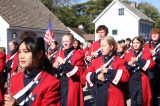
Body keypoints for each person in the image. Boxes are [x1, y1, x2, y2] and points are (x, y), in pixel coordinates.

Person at [4, 37, 60, 106]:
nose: (21, 56)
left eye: (26, 51)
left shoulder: (51, 83)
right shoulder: (14, 79)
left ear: (39, 54)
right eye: (19, 52)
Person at [83, 36, 129, 106]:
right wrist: (96, 76)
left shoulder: (120, 61)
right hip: (99, 95)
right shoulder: (96, 61)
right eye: (101, 46)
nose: (101, 48)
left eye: (104, 46)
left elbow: (125, 77)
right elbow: (84, 76)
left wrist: (108, 71)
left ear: (111, 47)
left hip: (115, 96)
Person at [53, 33, 84, 106]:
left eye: (67, 41)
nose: (65, 43)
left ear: (72, 42)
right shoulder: (59, 53)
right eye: (63, 41)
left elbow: (79, 72)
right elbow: (54, 69)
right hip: (60, 83)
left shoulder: (78, 54)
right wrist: (54, 66)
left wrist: (64, 63)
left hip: (72, 83)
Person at [124, 36, 155, 106]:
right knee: (133, 100)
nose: (135, 44)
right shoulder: (128, 55)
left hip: (142, 79)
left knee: (142, 100)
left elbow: (151, 65)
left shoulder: (146, 53)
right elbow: (124, 68)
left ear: (141, 43)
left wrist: (138, 60)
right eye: (134, 43)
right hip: (132, 79)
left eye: (137, 42)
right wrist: (128, 64)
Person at [144, 28, 160, 106]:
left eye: (156, 34)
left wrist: (156, 54)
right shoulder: (147, 45)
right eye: (153, 34)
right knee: (152, 92)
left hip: (159, 70)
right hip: (151, 71)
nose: (154, 35)